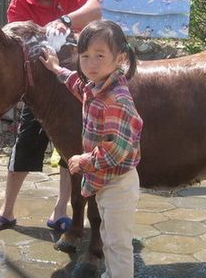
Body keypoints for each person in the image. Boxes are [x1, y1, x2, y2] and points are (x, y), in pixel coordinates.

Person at [0, 0, 101, 234]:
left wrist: (64, 21)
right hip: (41, 86)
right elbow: (13, 51)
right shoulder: (19, 4)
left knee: (72, 146)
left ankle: (61, 210)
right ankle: (6, 212)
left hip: (79, 78)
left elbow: (94, 10)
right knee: (25, 143)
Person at [40, 20, 143, 278]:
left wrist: (83, 161)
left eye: (100, 56)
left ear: (120, 58)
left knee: (118, 245)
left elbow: (118, 149)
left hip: (118, 183)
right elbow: (78, 85)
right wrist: (56, 69)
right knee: (109, 237)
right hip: (106, 180)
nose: (91, 63)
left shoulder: (116, 99)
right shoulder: (96, 87)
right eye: (85, 56)